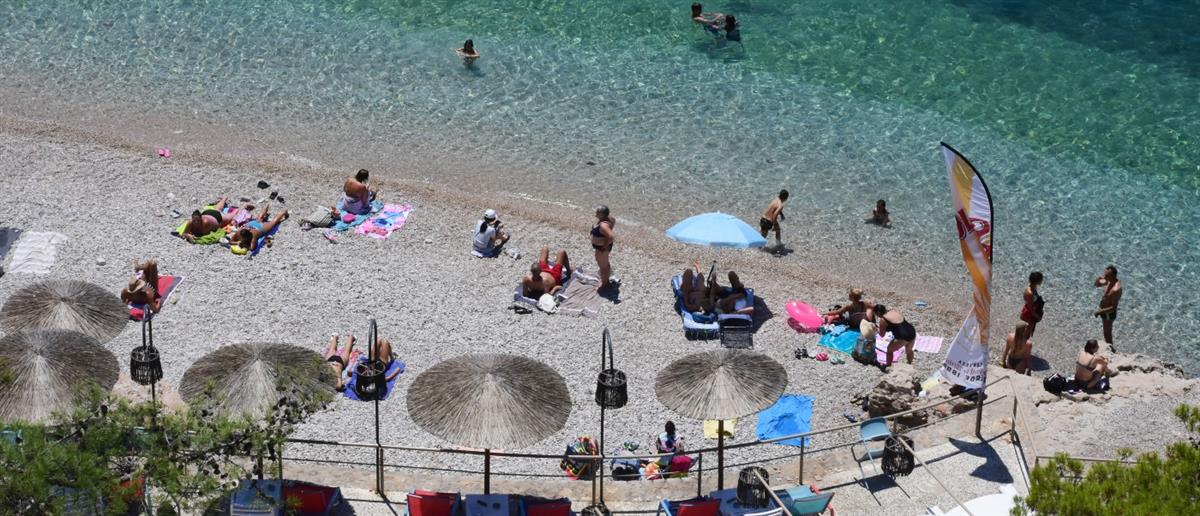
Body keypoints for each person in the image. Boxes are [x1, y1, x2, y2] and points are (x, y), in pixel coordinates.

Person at [1093, 265, 1122, 346]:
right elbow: (1096, 285)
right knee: (1105, 333)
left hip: (1108, 314)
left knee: (1107, 334)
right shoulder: (1108, 281)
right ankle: (1109, 348)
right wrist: (1097, 280)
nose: (1104, 277)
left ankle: (1111, 350)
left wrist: (1099, 312)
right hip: (1104, 311)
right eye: (1104, 275)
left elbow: (1113, 307)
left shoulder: (1116, 289)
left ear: (1113, 276)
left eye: (1106, 276)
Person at [591, 205, 616, 289]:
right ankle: (606, 280)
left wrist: (604, 246)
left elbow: (611, 237)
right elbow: (612, 220)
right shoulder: (610, 219)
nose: (595, 213)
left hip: (602, 248)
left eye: (597, 212)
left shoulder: (603, 225)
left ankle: (605, 284)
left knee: (603, 266)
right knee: (605, 264)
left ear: (602, 214)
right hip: (604, 247)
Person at [1019, 271, 1045, 337]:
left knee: (1024, 336)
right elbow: (1030, 309)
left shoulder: (1033, 288)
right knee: (1025, 336)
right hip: (1028, 316)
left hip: (1029, 315)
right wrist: (1038, 317)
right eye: (1041, 279)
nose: (1042, 280)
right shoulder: (1030, 293)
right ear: (1037, 281)